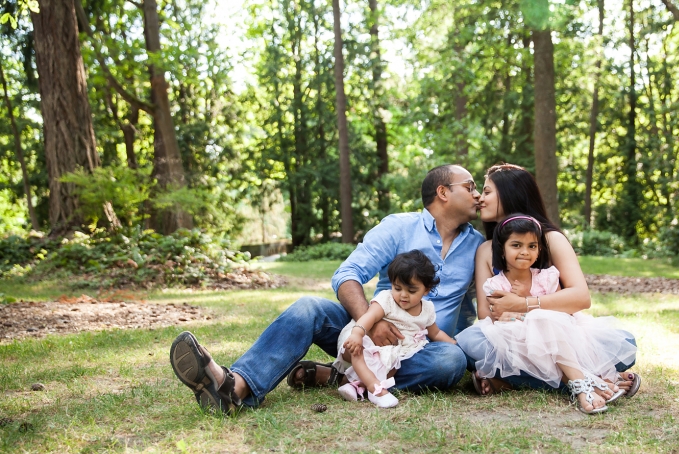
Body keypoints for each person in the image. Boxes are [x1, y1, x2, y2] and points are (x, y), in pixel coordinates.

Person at [169, 164, 484, 414]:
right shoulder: (399, 226)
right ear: (442, 192)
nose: (477, 195)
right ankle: (235, 386)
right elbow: (347, 275)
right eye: (470, 187)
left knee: (449, 363)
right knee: (308, 307)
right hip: (368, 330)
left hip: (421, 348)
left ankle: (344, 376)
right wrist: (368, 323)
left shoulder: (478, 247)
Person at [456, 163, 642, 400]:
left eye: (488, 191)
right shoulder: (486, 250)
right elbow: (486, 313)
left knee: (626, 342)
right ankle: (592, 379)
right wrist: (514, 316)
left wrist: (522, 304)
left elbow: (580, 298)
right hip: (513, 338)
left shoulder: (551, 239)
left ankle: (508, 381)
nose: (480, 198)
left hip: (562, 334)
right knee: (472, 344)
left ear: (510, 194)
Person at [334, 250, 458, 408]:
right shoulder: (387, 300)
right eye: (397, 288)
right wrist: (357, 333)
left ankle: (356, 385)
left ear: (426, 290)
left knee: (393, 365)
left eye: (411, 291)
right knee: (359, 352)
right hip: (365, 339)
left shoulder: (427, 309)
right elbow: (369, 317)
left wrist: (453, 344)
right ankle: (376, 390)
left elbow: (436, 333)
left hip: (395, 350)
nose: (403, 295)